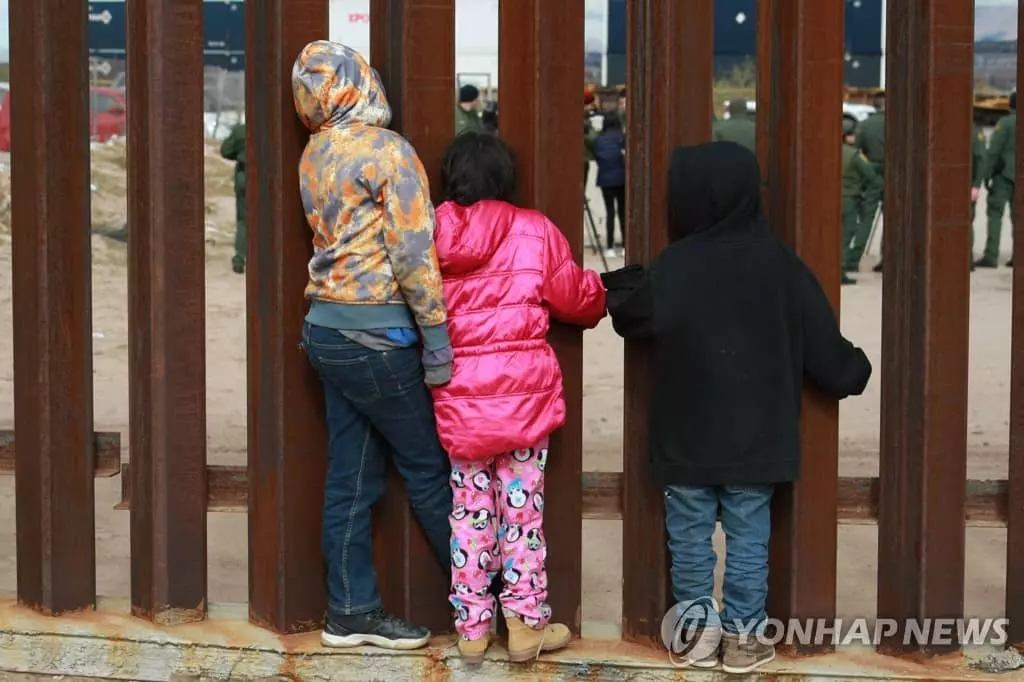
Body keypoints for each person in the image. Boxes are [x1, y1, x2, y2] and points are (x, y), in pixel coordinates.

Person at [601, 142, 872, 673]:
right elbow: (826, 349)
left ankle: (698, 636)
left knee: (689, 541)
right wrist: (852, 370)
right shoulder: (781, 265)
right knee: (749, 541)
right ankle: (745, 638)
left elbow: (633, 316)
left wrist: (624, 281)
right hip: (758, 440)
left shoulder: (676, 265)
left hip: (686, 439)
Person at [292, 40, 455, 651]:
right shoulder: (388, 151)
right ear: (361, 82)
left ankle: (351, 610)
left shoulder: (314, 153)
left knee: (351, 478)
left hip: (326, 332)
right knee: (429, 471)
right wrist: (436, 342)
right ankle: (491, 606)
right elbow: (414, 252)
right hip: (379, 334)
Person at [430, 131, 607, 662]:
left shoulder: (430, 231)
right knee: (522, 512)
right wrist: (603, 291)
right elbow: (574, 298)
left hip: (460, 399)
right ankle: (527, 626)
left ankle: (472, 630)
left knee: (468, 511)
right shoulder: (534, 229)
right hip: (524, 400)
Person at [978, 91, 1016, 268]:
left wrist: (986, 175)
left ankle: (991, 255)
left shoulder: (1005, 123)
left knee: (995, 214)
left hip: (1004, 175)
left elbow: (993, 151)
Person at [840, 118, 877, 283]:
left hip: (832, 198)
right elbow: (870, 175)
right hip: (849, 200)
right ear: (846, 136)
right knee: (846, 234)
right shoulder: (853, 155)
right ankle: (840, 269)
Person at [856, 91, 886, 272]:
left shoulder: (865, 125)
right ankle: (888, 258)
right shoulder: (900, 124)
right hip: (894, 174)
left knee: (866, 216)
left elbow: (857, 151)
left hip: (871, 173)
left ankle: (853, 257)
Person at [593, 111, 627, 257]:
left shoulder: (599, 140)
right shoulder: (622, 138)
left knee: (610, 213)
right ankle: (626, 245)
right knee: (623, 213)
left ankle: (610, 246)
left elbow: (597, 157)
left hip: (605, 180)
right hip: (621, 179)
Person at [219, 122, 247, 274]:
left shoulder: (240, 131)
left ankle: (239, 259)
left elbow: (225, 151)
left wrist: (240, 155)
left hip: (244, 176)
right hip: (265, 178)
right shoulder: (269, 129)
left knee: (243, 221)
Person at [971, 121, 988, 271]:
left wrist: (976, 184)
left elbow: (981, 159)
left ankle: (966, 259)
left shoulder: (973, 131)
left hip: (966, 185)